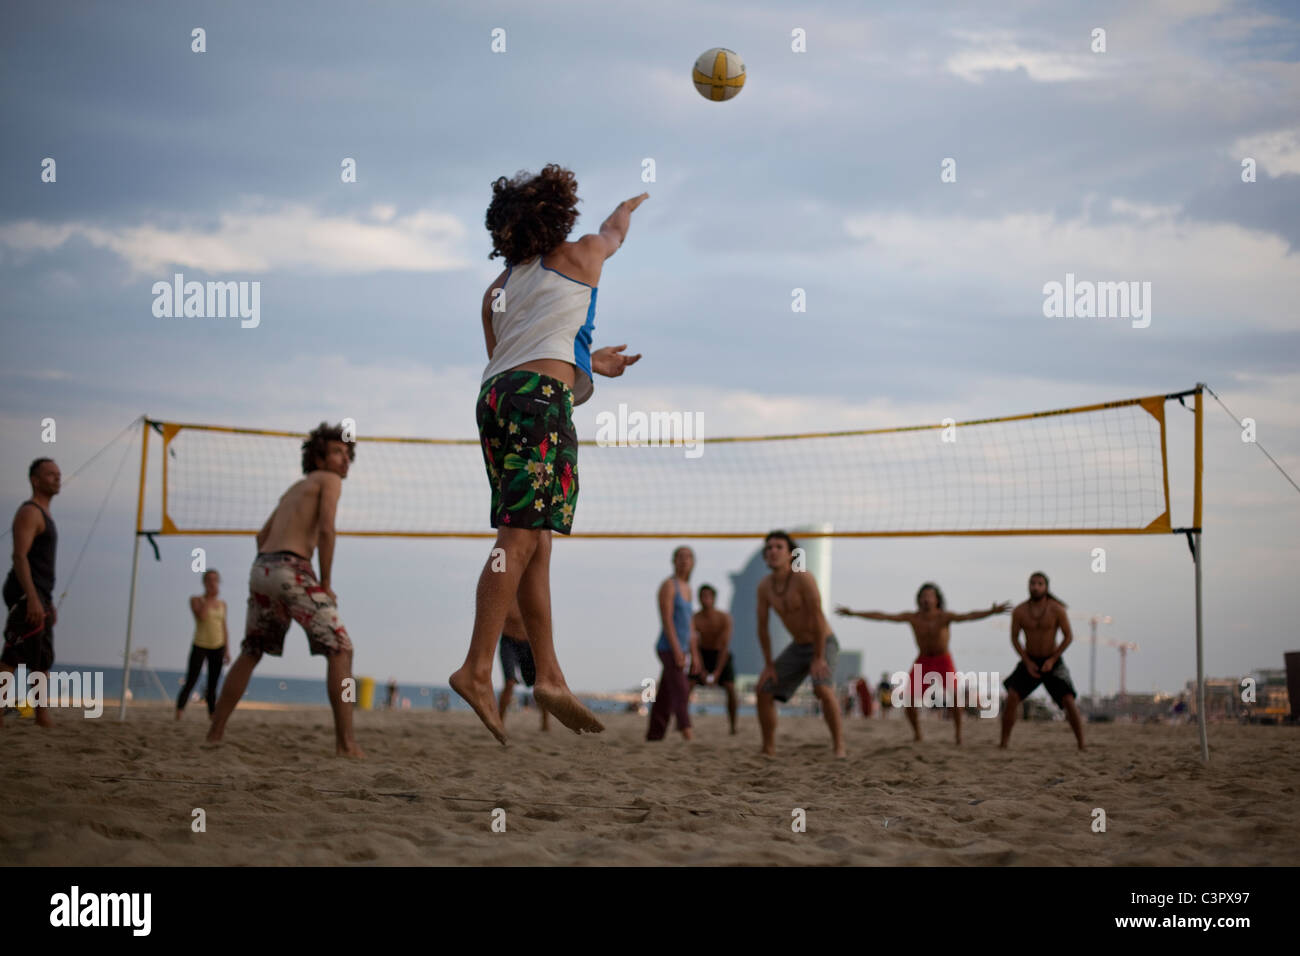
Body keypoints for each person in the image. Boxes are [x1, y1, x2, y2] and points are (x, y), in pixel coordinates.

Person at [450, 165, 647, 744]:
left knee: (535, 538)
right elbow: (613, 231)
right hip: (540, 401)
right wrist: (628, 208)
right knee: (519, 535)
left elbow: (512, 351)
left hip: (495, 398)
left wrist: (590, 364)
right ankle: (476, 668)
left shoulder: (498, 289)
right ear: (559, 213)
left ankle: (551, 675)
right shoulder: (583, 252)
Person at [207, 423, 364, 757]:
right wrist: (326, 582)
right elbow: (326, 529)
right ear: (319, 455)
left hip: (262, 568)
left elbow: (260, 537)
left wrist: (272, 576)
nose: (345, 459)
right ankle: (346, 744)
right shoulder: (329, 480)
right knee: (341, 649)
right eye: (338, 451)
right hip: (293, 569)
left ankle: (214, 734)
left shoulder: (294, 488)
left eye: (348, 453)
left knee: (252, 650)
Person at [837, 584, 1009, 744]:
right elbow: (883, 616)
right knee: (908, 700)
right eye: (923, 596)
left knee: (955, 697)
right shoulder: (913, 618)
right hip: (923, 660)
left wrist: (991, 612)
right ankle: (917, 734)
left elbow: (969, 616)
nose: (926, 599)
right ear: (919, 599)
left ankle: (958, 734)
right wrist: (853, 613)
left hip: (943, 659)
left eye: (930, 596)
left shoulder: (944, 616)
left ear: (937, 600)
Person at [755, 531, 845, 757]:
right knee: (763, 690)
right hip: (798, 646)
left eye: (778, 547)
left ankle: (839, 746)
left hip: (823, 641)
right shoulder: (764, 587)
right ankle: (768, 748)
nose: (773, 551)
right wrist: (769, 665)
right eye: (769, 548)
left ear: (790, 554)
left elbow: (817, 617)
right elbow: (763, 628)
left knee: (822, 688)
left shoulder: (803, 578)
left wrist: (818, 657)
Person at [1, 458, 61, 729]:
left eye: (58, 474)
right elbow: (19, 557)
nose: (57, 478)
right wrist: (33, 598)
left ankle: (41, 715)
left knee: (42, 657)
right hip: (27, 594)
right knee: (13, 655)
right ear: (35, 480)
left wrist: (47, 601)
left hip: (40, 595)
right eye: (50, 474)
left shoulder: (45, 514)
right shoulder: (30, 512)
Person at [1000, 571, 1085, 750]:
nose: (1036, 587)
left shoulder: (1056, 609)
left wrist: (1053, 659)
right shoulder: (1020, 611)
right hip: (1030, 660)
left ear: (1046, 587)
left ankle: (1081, 744)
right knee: (1012, 697)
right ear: (1028, 586)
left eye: (1040, 584)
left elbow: (1068, 636)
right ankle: (1003, 742)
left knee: (1068, 699)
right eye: (1032, 583)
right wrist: (1027, 661)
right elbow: (1015, 639)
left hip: (1052, 661)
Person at [648, 546, 695, 741]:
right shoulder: (669, 585)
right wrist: (676, 649)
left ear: (693, 562)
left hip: (681, 649)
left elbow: (690, 625)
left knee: (666, 696)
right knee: (681, 689)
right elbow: (667, 620)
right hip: (667, 647)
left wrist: (694, 654)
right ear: (674, 561)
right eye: (680, 557)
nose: (684, 561)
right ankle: (687, 732)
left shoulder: (688, 587)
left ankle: (654, 736)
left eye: (688, 557)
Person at [175, 569, 229, 719]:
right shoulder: (196, 600)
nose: (212, 583)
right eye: (209, 580)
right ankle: (179, 712)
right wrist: (209, 598)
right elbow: (202, 617)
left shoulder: (222, 604)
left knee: (213, 683)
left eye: (215, 580)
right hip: (200, 644)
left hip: (218, 646)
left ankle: (212, 714)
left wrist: (227, 650)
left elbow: (224, 627)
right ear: (204, 582)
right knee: (191, 679)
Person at [690, 583, 737, 734]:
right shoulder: (695, 619)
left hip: (720, 654)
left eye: (709, 596)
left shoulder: (724, 618)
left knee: (730, 688)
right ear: (699, 599)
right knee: (687, 686)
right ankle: (682, 723)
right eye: (703, 596)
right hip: (702, 654)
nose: (706, 600)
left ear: (714, 599)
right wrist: (702, 670)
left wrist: (717, 672)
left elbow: (724, 647)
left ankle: (733, 726)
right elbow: (694, 647)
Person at [498, 599, 550, 731]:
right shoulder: (507, 589)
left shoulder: (532, 590)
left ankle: (545, 722)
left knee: (540, 685)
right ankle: (499, 722)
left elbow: (544, 621)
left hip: (529, 643)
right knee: (509, 683)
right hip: (508, 641)